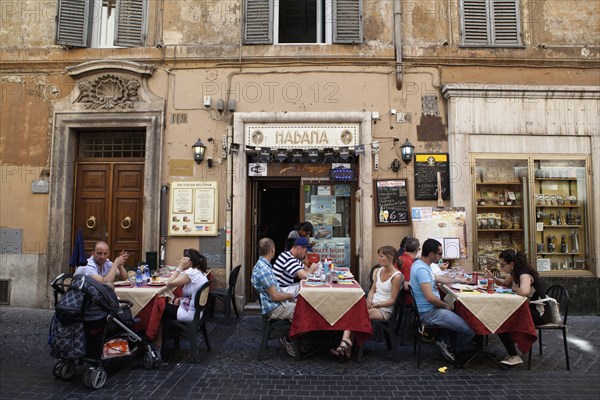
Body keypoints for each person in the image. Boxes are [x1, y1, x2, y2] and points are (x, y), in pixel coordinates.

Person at [331, 245, 403, 360]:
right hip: (373, 304)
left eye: (381, 256)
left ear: (390, 258)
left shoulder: (397, 276)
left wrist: (376, 304)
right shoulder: (380, 270)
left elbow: (392, 300)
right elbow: (372, 290)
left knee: (355, 314)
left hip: (384, 309)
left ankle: (345, 343)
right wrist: (369, 300)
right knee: (352, 309)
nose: (378, 259)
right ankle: (346, 346)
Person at [410, 238, 474, 363]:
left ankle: (445, 340)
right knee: (469, 330)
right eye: (440, 253)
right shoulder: (422, 270)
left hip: (429, 310)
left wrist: (458, 280)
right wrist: (445, 306)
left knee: (463, 314)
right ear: (432, 254)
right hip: (429, 313)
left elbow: (436, 278)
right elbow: (429, 297)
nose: (441, 256)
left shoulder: (420, 265)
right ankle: (450, 347)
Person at [485, 249, 552, 366]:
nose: (501, 268)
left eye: (502, 265)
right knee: (501, 317)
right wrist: (493, 278)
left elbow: (524, 291)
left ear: (512, 264)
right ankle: (513, 352)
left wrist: (514, 288)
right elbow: (505, 283)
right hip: (528, 308)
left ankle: (514, 355)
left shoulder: (524, 274)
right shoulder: (515, 272)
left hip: (540, 312)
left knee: (501, 321)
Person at [151, 248, 209, 357]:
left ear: (188, 261)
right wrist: (181, 299)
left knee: (159, 308)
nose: (180, 260)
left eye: (182, 259)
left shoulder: (191, 273)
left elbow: (170, 283)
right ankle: (166, 339)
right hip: (196, 312)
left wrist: (179, 268)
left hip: (188, 313)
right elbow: (193, 292)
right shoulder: (198, 272)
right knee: (166, 305)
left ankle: (157, 345)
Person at [251, 238, 297, 357]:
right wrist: (290, 295)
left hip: (276, 304)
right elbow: (275, 297)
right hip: (274, 308)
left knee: (300, 304)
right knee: (301, 310)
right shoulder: (264, 269)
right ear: (272, 250)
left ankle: (293, 338)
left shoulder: (263, 265)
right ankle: (290, 340)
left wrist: (288, 297)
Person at [399, 237, 420, 305]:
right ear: (417, 249)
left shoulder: (400, 258)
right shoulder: (409, 263)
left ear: (405, 248)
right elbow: (407, 287)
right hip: (407, 300)